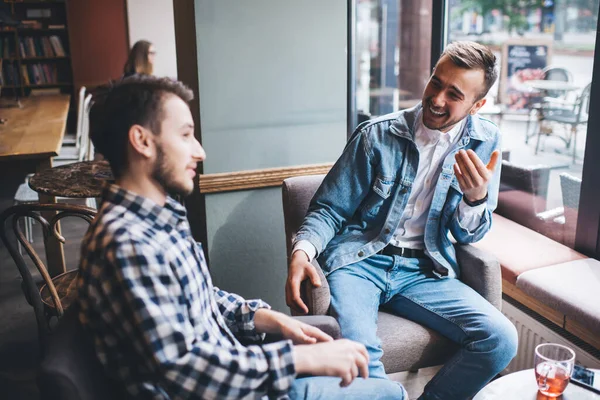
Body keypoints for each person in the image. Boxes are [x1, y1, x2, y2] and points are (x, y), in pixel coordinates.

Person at [77, 75, 407, 399]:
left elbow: (195, 300)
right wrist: (299, 359)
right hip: (231, 388)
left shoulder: (154, 219)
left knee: (388, 391)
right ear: (143, 141)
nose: (200, 151)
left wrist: (266, 317)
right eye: (186, 135)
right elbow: (185, 371)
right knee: (391, 395)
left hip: (243, 377)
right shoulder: (128, 244)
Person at [286, 41, 519, 400]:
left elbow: (468, 232)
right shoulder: (376, 135)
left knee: (501, 340)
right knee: (361, 359)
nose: (437, 98)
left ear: (478, 105)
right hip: (360, 263)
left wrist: (476, 199)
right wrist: (302, 251)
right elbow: (330, 209)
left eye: (454, 94)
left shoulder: (485, 142)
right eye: (435, 82)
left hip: (428, 270)